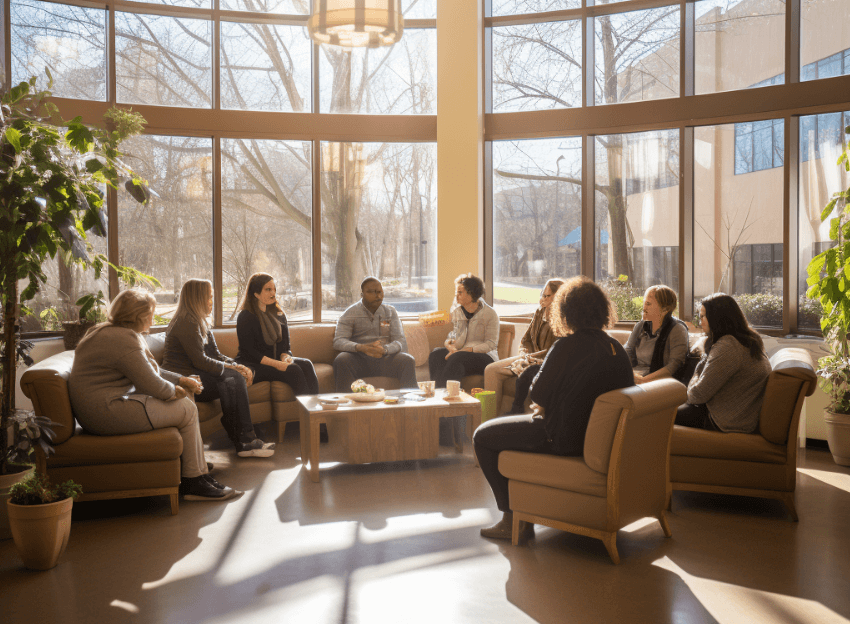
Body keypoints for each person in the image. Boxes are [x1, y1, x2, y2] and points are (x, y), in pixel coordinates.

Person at [473, 276, 634, 540]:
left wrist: (538, 377)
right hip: (598, 441)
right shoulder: (614, 347)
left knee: (482, 436)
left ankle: (511, 518)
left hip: (561, 436)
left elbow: (538, 393)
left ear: (566, 311)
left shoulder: (565, 346)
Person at [68, 289, 239, 501]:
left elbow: (151, 370)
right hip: (105, 412)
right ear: (138, 315)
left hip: (103, 408)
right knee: (185, 407)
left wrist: (182, 381)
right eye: (150, 312)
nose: (152, 317)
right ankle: (193, 482)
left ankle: (197, 471)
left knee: (187, 397)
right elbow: (152, 384)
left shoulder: (113, 332)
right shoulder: (123, 339)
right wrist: (176, 391)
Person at [163, 279, 275, 458]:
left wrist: (239, 366)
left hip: (199, 375)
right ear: (197, 298)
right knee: (232, 379)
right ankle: (245, 439)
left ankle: (242, 438)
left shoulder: (200, 322)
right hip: (184, 379)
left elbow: (216, 355)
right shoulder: (186, 322)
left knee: (233, 378)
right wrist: (234, 370)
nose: (211, 302)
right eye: (209, 297)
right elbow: (200, 360)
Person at [676, 293, 771, 432]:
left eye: (703, 316)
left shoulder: (728, 346)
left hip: (724, 420)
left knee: (655, 414)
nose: (700, 321)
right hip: (738, 416)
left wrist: (686, 389)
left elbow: (698, 395)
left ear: (716, 318)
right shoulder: (748, 340)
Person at [484, 279, 563, 415]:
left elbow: (554, 349)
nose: (542, 299)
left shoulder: (562, 320)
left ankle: (517, 411)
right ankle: (490, 418)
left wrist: (531, 357)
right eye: (542, 295)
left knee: (528, 373)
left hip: (543, 360)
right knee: (491, 370)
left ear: (558, 296)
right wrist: (524, 351)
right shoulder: (539, 313)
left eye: (546, 296)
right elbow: (526, 339)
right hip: (528, 356)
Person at [235, 273, 319, 397]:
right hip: (254, 365)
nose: (273, 293)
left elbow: (285, 346)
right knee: (293, 370)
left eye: (274, 289)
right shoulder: (245, 316)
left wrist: (285, 358)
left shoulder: (279, 313)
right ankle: (307, 412)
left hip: (277, 360)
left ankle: (316, 410)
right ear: (256, 293)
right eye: (268, 289)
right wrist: (278, 364)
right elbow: (250, 353)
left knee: (306, 364)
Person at [332, 277, 417, 392]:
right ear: (362, 294)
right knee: (341, 359)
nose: (377, 296)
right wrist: (361, 347)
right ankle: (346, 404)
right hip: (360, 359)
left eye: (379, 292)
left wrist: (385, 350)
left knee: (408, 360)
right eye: (371, 292)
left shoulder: (390, 312)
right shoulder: (350, 313)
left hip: (385, 359)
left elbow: (400, 341)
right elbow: (339, 341)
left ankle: (410, 401)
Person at [429, 274, 500, 388]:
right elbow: (455, 333)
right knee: (436, 354)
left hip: (485, 357)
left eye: (460, 292)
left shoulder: (490, 314)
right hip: (461, 355)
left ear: (471, 293)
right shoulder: (458, 312)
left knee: (457, 358)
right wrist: (450, 344)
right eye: (456, 292)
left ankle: (446, 396)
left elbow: (491, 344)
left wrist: (467, 350)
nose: (456, 295)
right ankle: (440, 395)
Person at [624, 285, 689, 384]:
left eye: (648, 304)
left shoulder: (677, 329)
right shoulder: (640, 326)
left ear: (664, 310)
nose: (644, 307)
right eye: (644, 303)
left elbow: (674, 365)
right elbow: (627, 351)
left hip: (659, 382)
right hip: (636, 376)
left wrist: (644, 380)